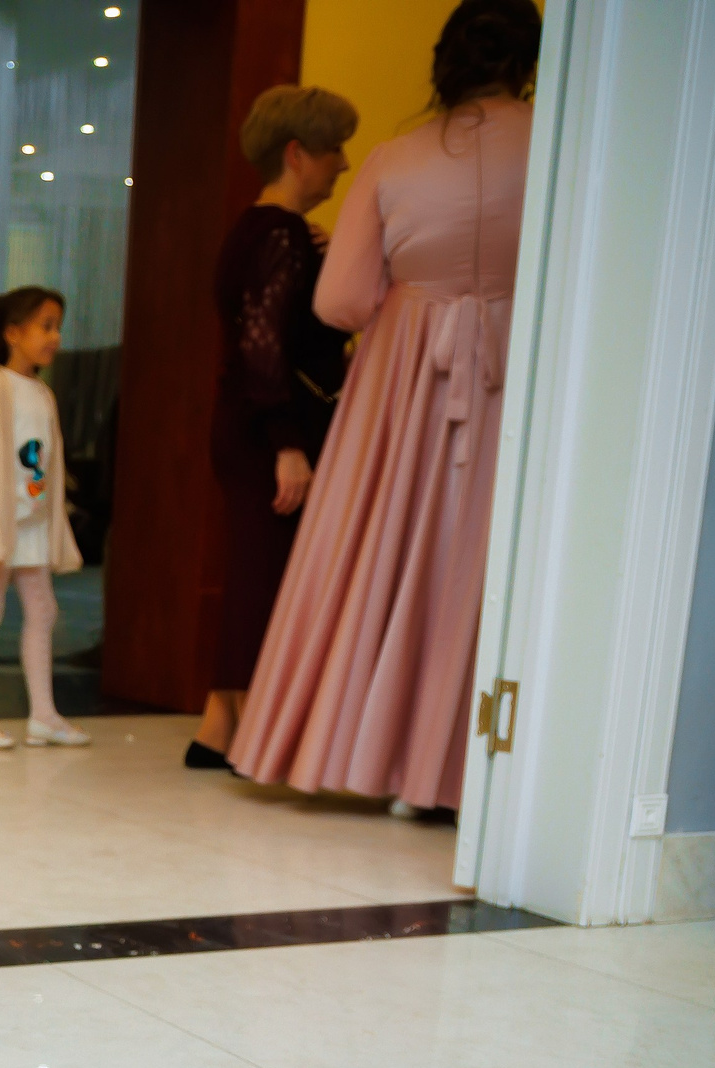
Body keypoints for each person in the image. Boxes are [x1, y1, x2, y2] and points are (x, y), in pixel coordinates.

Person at [227, 0, 542, 812]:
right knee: (488, 549)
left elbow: (339, 301)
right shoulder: (558, 143)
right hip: (521, 356)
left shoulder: (395, 158)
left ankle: (367, 754)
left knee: (384, 545)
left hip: (407, 367)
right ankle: (466, 766)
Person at [190, 85, 358, 771]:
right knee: (264, 577)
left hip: (247, 424)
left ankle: (221, 725)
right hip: (268, 432)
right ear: (297, 154)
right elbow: (265, 348)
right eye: (332, 151)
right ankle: (246, 729)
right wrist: (289, 442)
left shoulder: (255, 231)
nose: (344, 164)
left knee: (253, 571)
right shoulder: (281, 236)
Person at [0, 286, 89, 749]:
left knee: (43, 610)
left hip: (32, 528)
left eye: (58, 327)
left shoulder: (42, 393)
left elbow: (49, 471)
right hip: (1, 529)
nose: (55, 336)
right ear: (13, 333)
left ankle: (44, 716)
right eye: (45, 326)